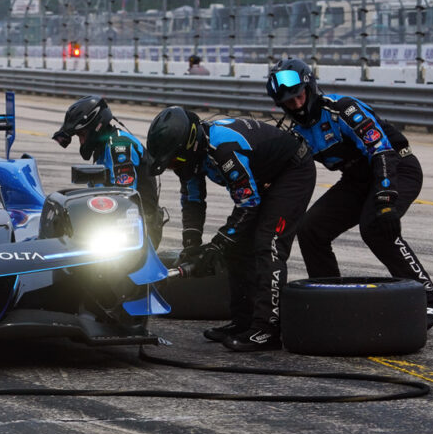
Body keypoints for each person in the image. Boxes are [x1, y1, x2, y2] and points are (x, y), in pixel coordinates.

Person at [266, 58, 433, 328]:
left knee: (377, 225)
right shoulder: (297, 133)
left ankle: (431, 300)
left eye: (299, 96)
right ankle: (329, 297)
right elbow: (289, 174)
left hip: (396, 167)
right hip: (356, 180)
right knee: (310, 229)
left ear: (310, 87)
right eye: (287, 102)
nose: (296, 104)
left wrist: (386, 197)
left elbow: (382, 150)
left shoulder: (343, 108)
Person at [146, 106, 316, 351]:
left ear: (188, 146)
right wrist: (191, 245)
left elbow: (248, 203)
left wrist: (217, 244)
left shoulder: (224, 150)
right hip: (263, 179)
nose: (173, 166)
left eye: (174, 160)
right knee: (236, 248)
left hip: (292, 173)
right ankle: (243, 320)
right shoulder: (189, 156)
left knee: (268, 245)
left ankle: (268, 329)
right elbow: (192, 200)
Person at [52, 95, 163, 247]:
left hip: (138, 232)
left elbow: (123, 200)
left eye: (82, 135)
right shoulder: (104, 146)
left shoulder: (118, 147)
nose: (82, 142)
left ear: (96, 126)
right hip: (119, 225)